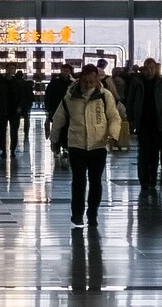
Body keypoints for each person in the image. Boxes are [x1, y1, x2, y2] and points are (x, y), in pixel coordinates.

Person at [50, 65, 120, 228]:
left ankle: (92, 213)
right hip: (77, 145)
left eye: (92, 81)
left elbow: (114, 117)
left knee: (95, 181)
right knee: (78, 181)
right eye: (86, 81)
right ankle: (77, 213)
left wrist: (113, 135)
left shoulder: (105, 96)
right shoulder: (70, 97)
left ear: (97, 80)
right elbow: (59, 119)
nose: (89, 84)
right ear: (80, 79)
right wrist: (54, 139)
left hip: (98, 145)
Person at [125, 58, 162, 192]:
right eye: (148, 69)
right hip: (143, 122)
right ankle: (144, 179)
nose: (150, 71)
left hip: (158, 122)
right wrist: (130, 119)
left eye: (152, 68)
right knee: (143, 152)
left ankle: (153, 177)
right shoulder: (137, 82)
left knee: (154, 152)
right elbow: (130, 100)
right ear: (144, 69)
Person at [0, 62, 24, 159]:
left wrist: (20, 107)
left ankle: (12, 149)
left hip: (14, 110)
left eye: (13, 68)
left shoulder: (18, 82)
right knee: (2, 131)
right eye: (10, 68)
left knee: (14, 131)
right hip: (1, 109)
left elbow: (22, 96)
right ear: (6, 69)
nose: (11, 70)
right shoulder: (0, 82)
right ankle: (3, 149)